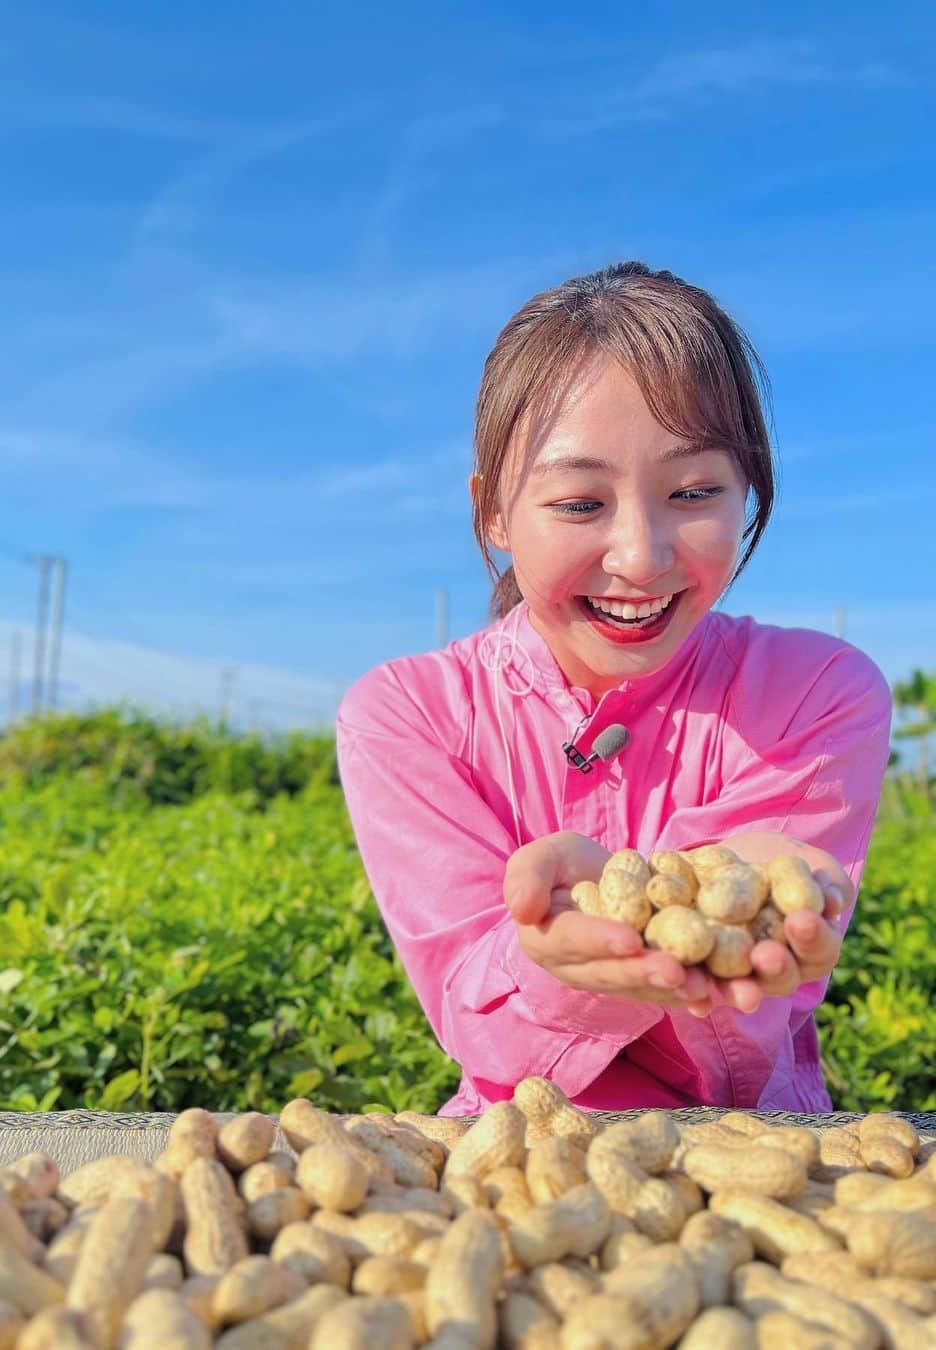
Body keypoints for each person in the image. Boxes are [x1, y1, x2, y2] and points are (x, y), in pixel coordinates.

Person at [335, 262, 892, 1115]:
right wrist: (555, 962)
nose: (640, 556)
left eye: (694, 491)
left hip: (762, 1163)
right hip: (515, 1163)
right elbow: (477, 1023)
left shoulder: (818, 693)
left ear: (748, 492)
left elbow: (742, 1044)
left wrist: (701, 935)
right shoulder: (407, 716)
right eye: (579, 503)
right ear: (492, 512)